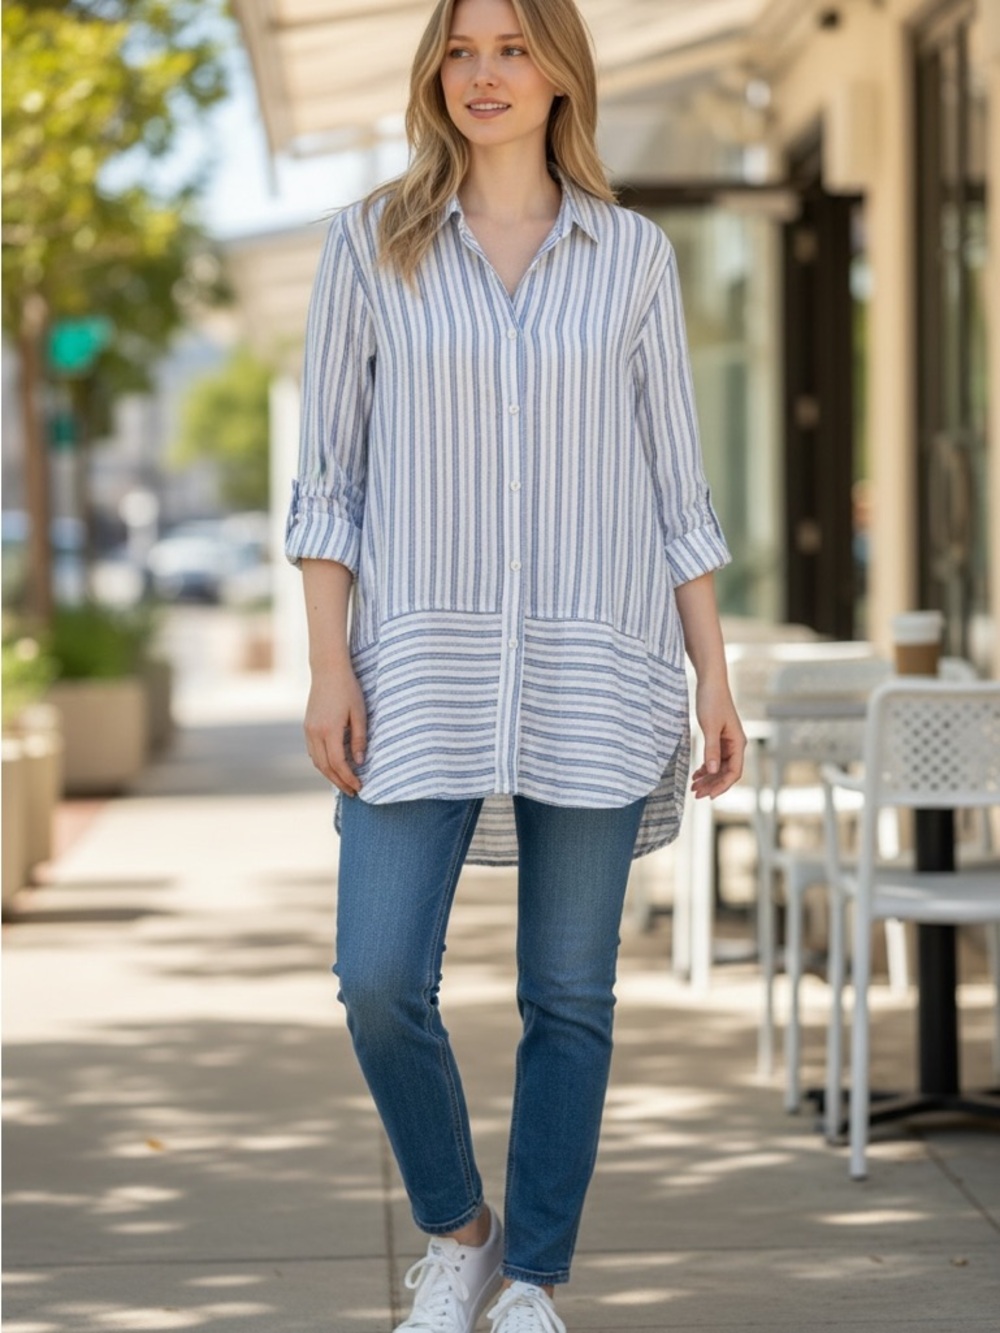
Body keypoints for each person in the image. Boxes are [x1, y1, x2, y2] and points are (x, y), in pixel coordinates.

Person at [284, 0, 746, 1328]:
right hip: (413, 670)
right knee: (377, 976)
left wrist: (713, 675)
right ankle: (462, 1230)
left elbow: (678, 482)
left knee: (569, 993)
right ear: (435, 72)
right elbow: (330, 483)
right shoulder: (368, 246)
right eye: (463, 50)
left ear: (560, 73)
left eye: (514, 48)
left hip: (598, 668)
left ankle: (535, 1273)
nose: (486, 75)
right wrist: (329, 664)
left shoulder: (635, 257)